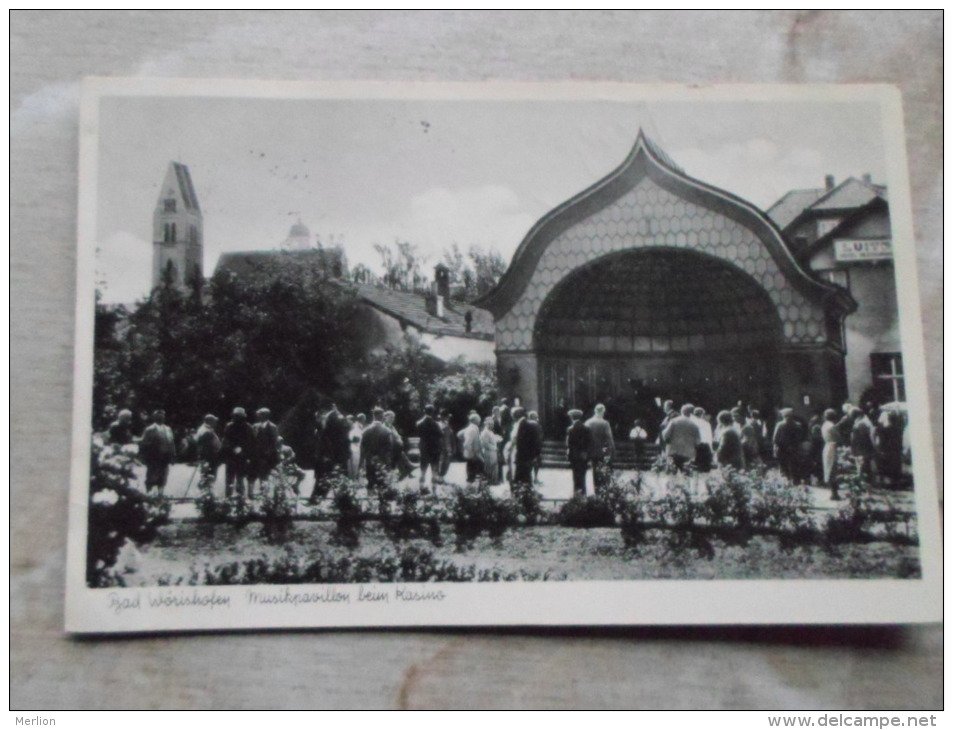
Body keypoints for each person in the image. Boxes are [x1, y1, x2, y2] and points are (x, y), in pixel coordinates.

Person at [139, 409, 176, 496]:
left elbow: (171, 442)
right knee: (152, 476)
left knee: (163, 476)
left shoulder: (168, 429)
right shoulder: (150, 429)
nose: (161, 418)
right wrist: (144, 456)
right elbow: (144, 444)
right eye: (159, 416)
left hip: (165, 457)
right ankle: (149, 494)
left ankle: (160, 494)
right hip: (154, 457)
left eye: (162, 416)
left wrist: (173, 454)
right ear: (154, 417)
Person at [222, 407, 255, 498]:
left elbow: (251, 441)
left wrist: (243, 450)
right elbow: (225, 440)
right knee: (229, 479)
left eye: (239, 416)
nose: (237, 418)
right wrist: (233, 448)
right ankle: (228, 498)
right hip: (231, 456)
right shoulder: (229, 426)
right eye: (236, 416)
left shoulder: (248, 427)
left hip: (243, 457)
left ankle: (240, 498)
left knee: (240, 478)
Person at [360, 408, 395, 494]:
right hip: (382, 461)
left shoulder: (365, 431)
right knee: (382, 483)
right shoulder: (387, 431)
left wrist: (362, 462)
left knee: (370, 483)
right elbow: (390, 447)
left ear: (373, 416)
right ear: (382, 417)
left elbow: (362, 448)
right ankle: (382, 504)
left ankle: (370, 503)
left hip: (369, 461)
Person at [662, 404, 701, 473]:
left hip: (673, 451)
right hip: (688, 453)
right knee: (686, 474)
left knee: (672, 473)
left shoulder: (674, 421)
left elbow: (665, 435)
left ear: (681, 411)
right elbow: (698, 441)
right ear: (691, 413)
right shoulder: (694, 425)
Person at [250, 407, 280, 497]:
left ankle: (264, 493)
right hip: (255, 455)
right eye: (258, 415)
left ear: (266, 416)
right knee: (253, 474)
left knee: (264, 474)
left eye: (260, 415)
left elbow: (274, 442)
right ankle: (251, 493)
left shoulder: (272, 427)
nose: (258, 417)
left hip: (267, 456)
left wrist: (267, 453)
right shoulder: (255, 426)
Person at [584, 404, 615, 492]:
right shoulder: (605, 423)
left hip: (589, 451)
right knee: (601, 472)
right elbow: (609, 439)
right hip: (600, 451)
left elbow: (583, 438)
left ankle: (595, 489)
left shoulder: (588, 422)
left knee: (594, 471)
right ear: (602, 412)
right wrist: (612, 451)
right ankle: (599, 491)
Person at [512, 407, 542, 488]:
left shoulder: (524, 425)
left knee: (523, 479)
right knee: (524, 479)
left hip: (523, 457)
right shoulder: (522, 424)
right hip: (523, 457)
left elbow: (528, 442)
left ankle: (525, 497)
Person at [416, 405, 443, 487]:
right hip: (434, 448)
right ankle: (434, 486)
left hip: (424, 447)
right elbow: (440, 434)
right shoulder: (435, 424)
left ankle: (421, 485)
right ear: (433, 412)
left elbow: (419, 434)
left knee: (423, 468)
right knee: (434, 468)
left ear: (424, 411)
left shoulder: (419, 423)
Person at [877, 408, 904, 488]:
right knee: (895, 465)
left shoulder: (883, 430)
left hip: (888, 450)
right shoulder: (898, 428)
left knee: (889, 466)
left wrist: (881, 449)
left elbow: (881, 440)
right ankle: (896, 482)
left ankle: (890, 483)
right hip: (896, 449)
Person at [772, 408, 803, 481]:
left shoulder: (780, 425)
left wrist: (776, 447)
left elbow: (775, 438)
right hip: (794, 449)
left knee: (783, 469)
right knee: (794, 468)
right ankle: (796, 483)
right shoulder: (798, 425)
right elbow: (800, 437)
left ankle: (786, 484)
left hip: (782, 449)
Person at [567, 409, 592, 496]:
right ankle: (583, 494)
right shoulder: (587, 428)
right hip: (583, 456)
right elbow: (589, 443)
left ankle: (576, 495)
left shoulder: (570, 429)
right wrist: (586, 454)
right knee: (583, 477)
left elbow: (569, 445)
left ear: (572, 417)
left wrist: (569, 457)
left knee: (575, 477)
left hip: (574, 456)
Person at [850, 407, 877, 486]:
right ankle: (865, 482)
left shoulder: (862, 423)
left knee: (864, 466)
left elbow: (864, 437)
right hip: (861, 448)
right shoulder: (862, 422)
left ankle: (866, 484)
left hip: (862, 448)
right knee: (863, 466)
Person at [194, 414, 221, 491]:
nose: (215, 423)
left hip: (210, 456)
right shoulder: (205, 430)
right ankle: (205, 493)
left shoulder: (208, 429)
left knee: (209, 476)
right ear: (209, 421)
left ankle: (208, 492)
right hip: (208, 457)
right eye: (214, 421)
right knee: (208, 476)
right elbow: (202, 444)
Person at [457, 412, 484, 484]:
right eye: (478, 420)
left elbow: (459, 434)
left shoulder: (471, 428)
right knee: (472, 474)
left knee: (474, 472)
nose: (479, 422)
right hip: (473, 455)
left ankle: (473, 488)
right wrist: (472, 455)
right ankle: (469, 489)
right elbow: (467, 444)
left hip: (474, 454)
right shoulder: (472, 429)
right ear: (475, 421)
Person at [821, 408, 840, 498]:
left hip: (827, 446)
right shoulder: (832, 426)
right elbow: (838, 437)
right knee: (833, 470)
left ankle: (833, 492)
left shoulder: (825, 425)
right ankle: (834, 493)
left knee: (829, 469)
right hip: (832, 447)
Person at [480, 417, 502, 485]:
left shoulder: (490, 432)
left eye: (492, 424)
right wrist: (494, 448)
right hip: (488, 452)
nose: (491, 425)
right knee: (489, 467)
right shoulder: (485, 432)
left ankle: (494, 481)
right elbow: (485, 444)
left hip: (493, 452)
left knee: (494, 466)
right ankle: (489, 481)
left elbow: (492, 440)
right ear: (486, 424)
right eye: (489, 424)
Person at [690, 407, 713, 472]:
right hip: (703, 447)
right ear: (702, 414)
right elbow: (709, 438)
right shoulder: (706, 424)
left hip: (693, 446)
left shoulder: (691, 422)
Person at [437, 410, 455, 484]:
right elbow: (444, 439)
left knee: (444, 463)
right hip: (443, 448)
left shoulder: (445, 425)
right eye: (447, 416)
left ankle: (440, 477)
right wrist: (448, 449)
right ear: (443, 417)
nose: (448, 418)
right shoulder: (441, 425)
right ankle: (440, 478)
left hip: (444, 447)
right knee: (443, 463)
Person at [348, 413, 365, 480]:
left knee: (357, 465)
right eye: (363, 418)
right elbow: (354, 438)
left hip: (357, 448)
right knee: (354, 465)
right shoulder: (355, 427)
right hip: (355, 448)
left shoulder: (360, 426)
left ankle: (355, 479)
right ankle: (353, 480)